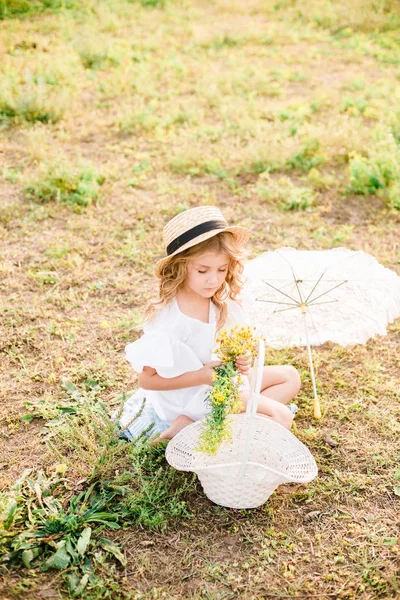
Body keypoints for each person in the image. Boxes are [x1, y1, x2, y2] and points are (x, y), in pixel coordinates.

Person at [119, 206, 301, 443]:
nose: (214, 280)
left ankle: (198, 424)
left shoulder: (219, 303)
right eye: (203, 270)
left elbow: (223, 351)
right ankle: (195, 421)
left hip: (217, 384)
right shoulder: (170, 319)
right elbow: (146, 380)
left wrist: (241, 359)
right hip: (188, 393)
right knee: (281, 415)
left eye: (222, 270)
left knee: (290, 376)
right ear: (180, 267)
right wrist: (201, 377)